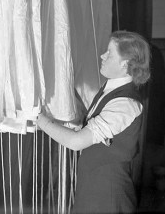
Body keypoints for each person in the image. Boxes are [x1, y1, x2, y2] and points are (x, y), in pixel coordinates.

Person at [37, 30, 151, 213]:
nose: (102, 55)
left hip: (108, 195)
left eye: (109, 53)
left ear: (125, 64)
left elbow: (76, 142)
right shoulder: (110, 88)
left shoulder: (126, 103)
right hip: (93, 189)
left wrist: (39, 119)